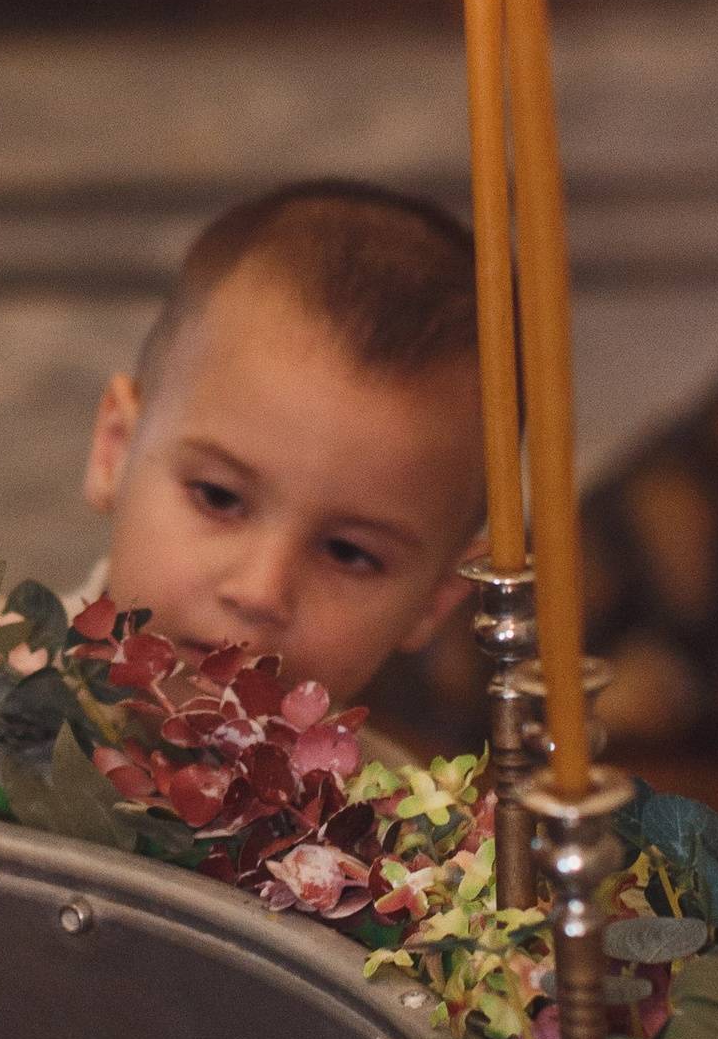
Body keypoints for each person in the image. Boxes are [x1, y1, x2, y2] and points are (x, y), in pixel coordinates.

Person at [79, 181, 483, 709]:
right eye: (219, 498)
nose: (259, 593)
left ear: (435, 602)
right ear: (116, 450)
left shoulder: (409, 790)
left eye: (349, 552)